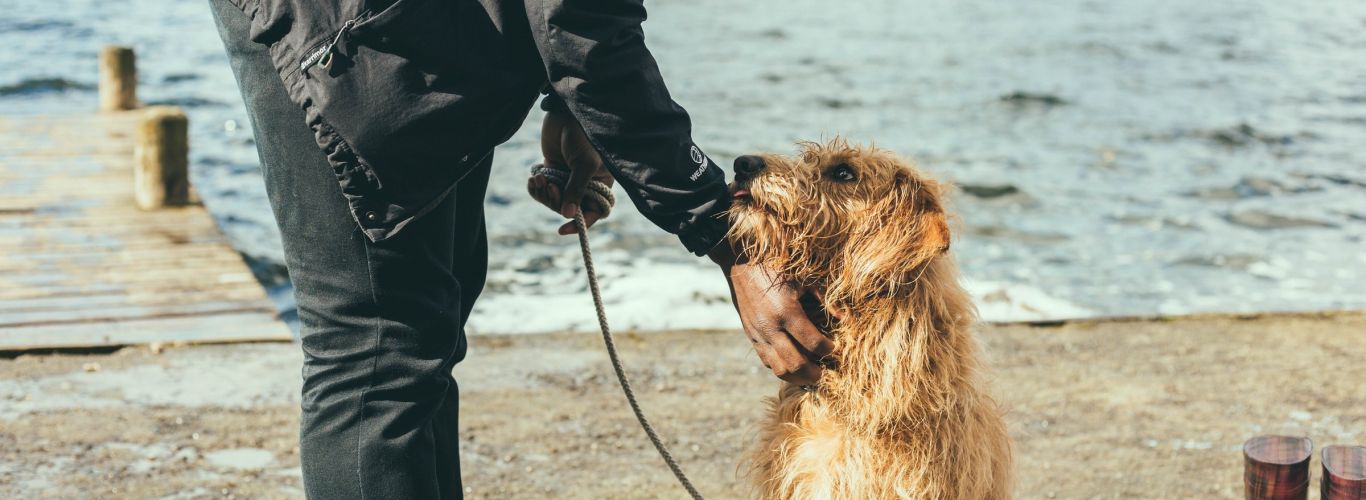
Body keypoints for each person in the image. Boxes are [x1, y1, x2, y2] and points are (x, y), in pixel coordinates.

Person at [209, 0, 833, 497]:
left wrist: (568, 102)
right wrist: (723, 235)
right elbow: (575, 16)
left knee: (424, 338)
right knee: (374, 354)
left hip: (423, 24)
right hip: (343, 32)